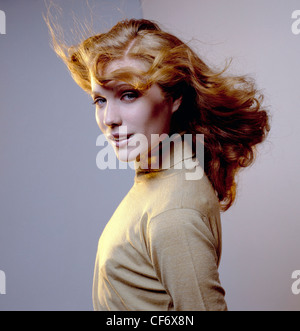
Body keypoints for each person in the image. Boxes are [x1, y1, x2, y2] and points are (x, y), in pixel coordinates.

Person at [46, 18, 270, 311]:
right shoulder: (161, 178)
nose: (109, 118)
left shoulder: (172, 212)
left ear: (174, 97)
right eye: (99, 100)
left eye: (129, 94)